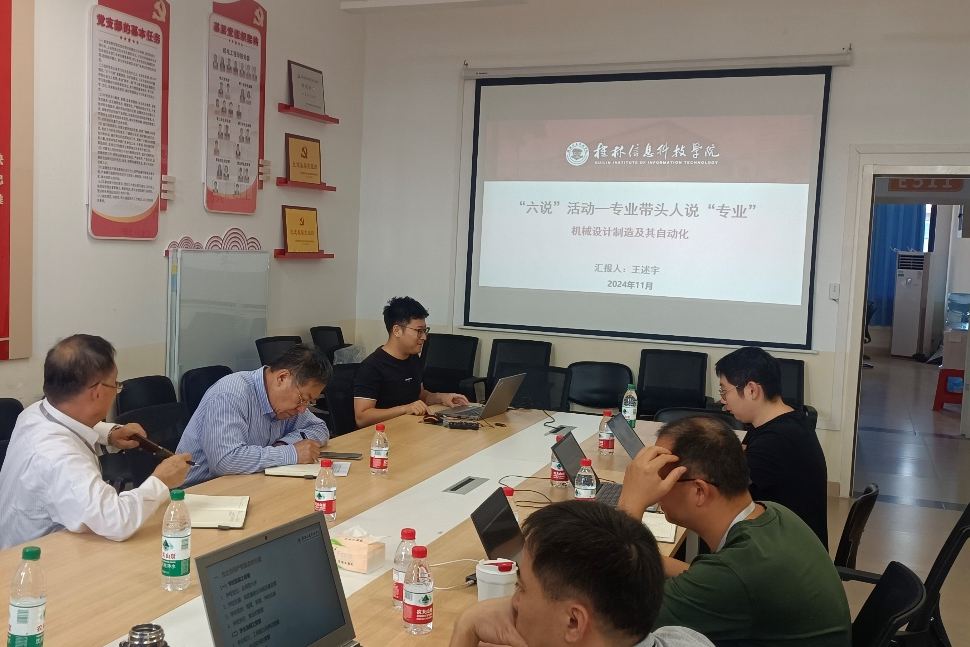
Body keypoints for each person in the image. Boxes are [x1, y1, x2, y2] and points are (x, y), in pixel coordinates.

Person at [617, 417, 851, 647]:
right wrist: (646, 557)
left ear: (699, 491)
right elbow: (706, 576)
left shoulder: (734, 573)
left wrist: (630, 503)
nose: (656, 488)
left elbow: (619, 622)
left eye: (662, 477)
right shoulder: (773, 513)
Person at [0, 335, 192, 551]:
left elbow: (68, 422)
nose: (117, 391)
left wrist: (110, 433)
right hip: (41, 558)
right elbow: (117, 521)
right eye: (116, 385)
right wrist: (161, 481)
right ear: (98, 392)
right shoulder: (59, 456)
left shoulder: (35, 413)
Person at [449, 500, 714, 647]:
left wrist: (467, 626)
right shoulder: (686, 639)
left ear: (574, 622)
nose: (512, 601)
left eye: (521, 587)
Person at [715, 346, 829, 547]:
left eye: (724, 391)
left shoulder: (778, 439)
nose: (722, 401)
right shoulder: (789, 420)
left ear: (752, 390)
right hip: (783, 538)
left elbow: (722, 483)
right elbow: (739, 456)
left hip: (791, 552)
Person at [177, 344, 331, 487]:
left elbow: (319, 428)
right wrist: (291, 453)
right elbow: (224, 461)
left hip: (246, 483)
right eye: (303, 399)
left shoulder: (288, 406)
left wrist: (284, 444)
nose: (303, 409)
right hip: (198, 491)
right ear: (282, 378)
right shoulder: (231, 394)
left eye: (309, 402)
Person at [354, 296, 468, 427]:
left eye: (425, 331)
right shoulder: (371, 367)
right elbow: (362, 418)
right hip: (382, 434)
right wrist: (404, 409)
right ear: (397, 330)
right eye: (419, 331)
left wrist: (442, 397)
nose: (424, 337)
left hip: (409, 427)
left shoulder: (413, 358)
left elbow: (419, 394)